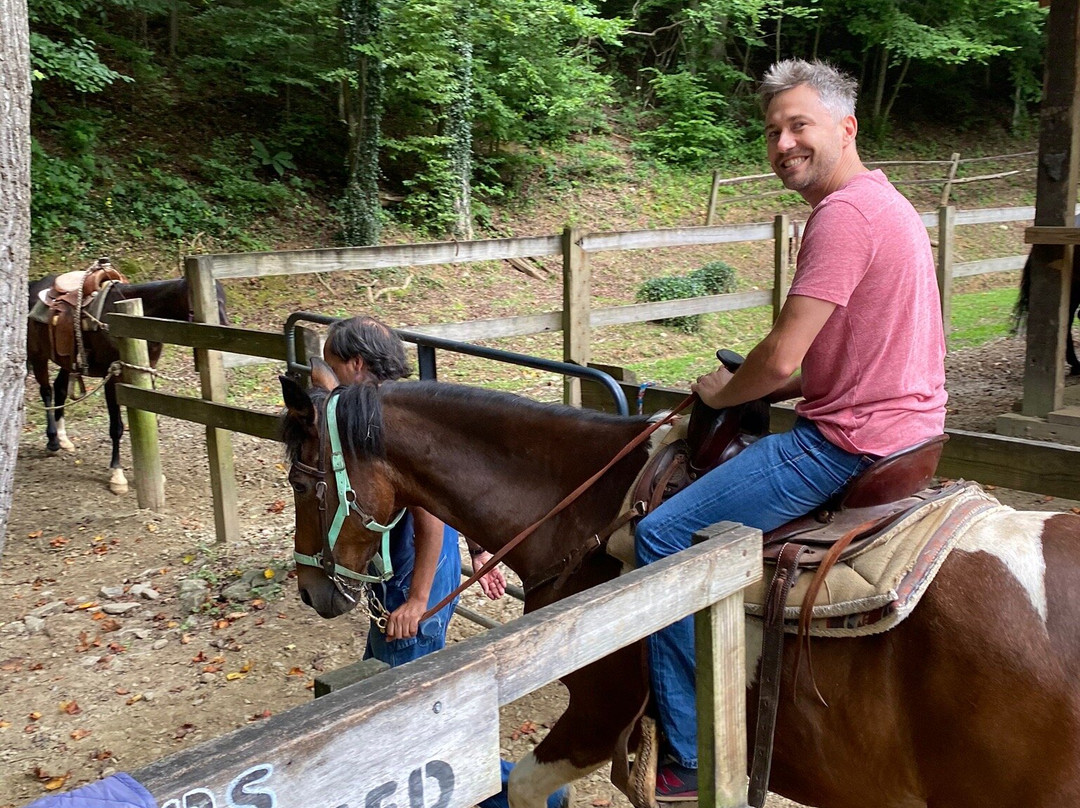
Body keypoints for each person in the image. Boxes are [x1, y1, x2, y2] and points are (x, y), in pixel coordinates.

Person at [635, 58, 947, 802]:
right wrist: (769, 377)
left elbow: (780, 358)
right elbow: (845, 351)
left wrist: (723, 388)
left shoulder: (843, 215)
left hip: (846, 443)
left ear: (846, 127)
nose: (783, 143)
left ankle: (690, 755)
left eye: (799, 125)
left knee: (660, 536)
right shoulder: (887, 204)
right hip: (911, 427)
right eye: (773, 130)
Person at [322, 316, 567, 808]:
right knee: (388, 686)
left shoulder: (387, 425)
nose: (332, 384)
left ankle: (518, 791)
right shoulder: (406, 408)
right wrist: (477, 547)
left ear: (355, 365)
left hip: (419, 579)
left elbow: (431, 517)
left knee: (407, 711)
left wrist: (417, 600)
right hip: (413, 575)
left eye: (335, 371)